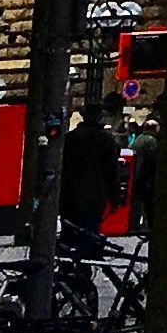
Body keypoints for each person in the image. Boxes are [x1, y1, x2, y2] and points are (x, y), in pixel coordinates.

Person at [59, 96, 120, 250]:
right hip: (95, 196)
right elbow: (112, 171)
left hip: (70, 195)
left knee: (69, 233)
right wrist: (115, 198)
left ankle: (66, 268)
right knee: (89, 235)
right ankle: (84, 269)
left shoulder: (70, 139)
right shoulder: (107, 140)